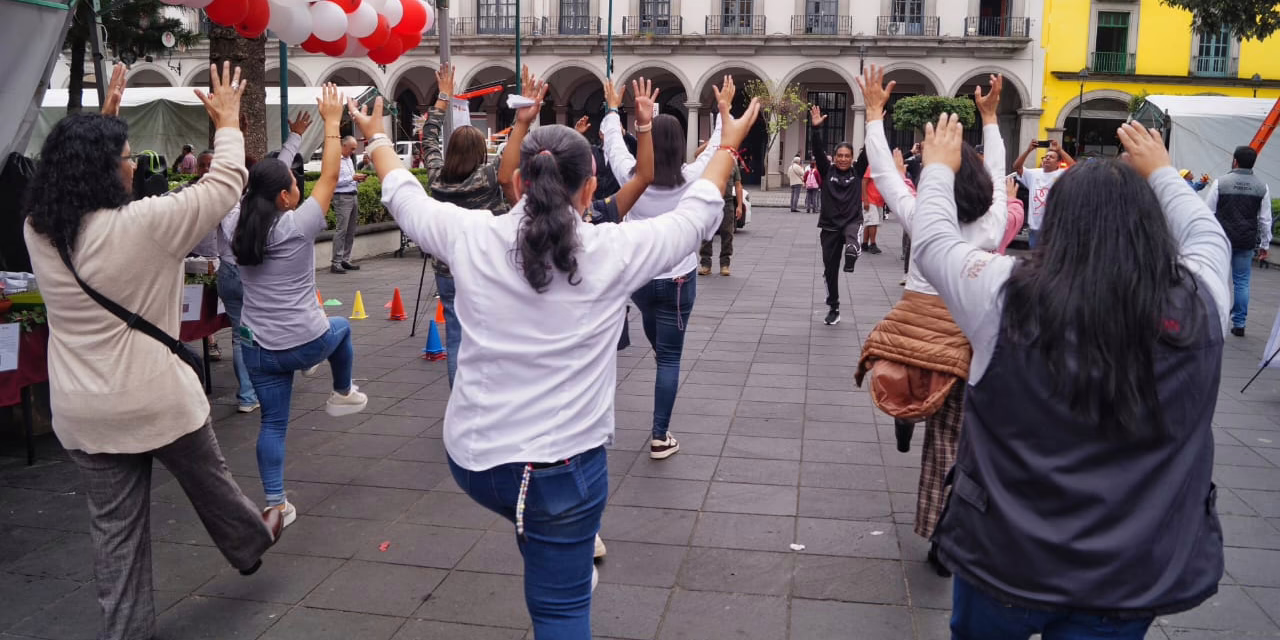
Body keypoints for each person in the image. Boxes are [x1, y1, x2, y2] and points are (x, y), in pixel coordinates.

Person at [354, 73, 758, 639]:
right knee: (562, 610)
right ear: (591, 189)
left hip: (478, 462)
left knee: (542, 530)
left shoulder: (472, 236)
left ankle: (549, 545)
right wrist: (728, 141)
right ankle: (556, 555)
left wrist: (375, 139)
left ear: (518, 183)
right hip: (561, 472)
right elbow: (696, 216)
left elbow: (405, 196)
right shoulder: (613, 251)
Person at [913, 114, 1228, 639]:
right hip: (1129, 573)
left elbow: (933, 243)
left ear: (1055, 221)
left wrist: (939, 169)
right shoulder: (1204, 300)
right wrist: (1163, 173)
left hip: (1003, 558)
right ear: (1151, 225)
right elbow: (1205, 231)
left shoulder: (1002, 293)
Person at [23, 62, 283, 640]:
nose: (133, 163)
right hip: (157, 402)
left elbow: (70, 174)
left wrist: (101, 124)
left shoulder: (38, 230)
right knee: (210, 481)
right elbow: (224, 184)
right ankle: (250, 541)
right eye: (126, 155)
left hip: (83, 412)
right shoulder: (148, 223)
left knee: (115, 538)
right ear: (106, 170)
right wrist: (228, 121)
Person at [854, 66, 1005, 576]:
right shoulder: (989, 224)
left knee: (907, 376)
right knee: (951, 443)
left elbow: (885, 176)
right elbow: (1001, 182)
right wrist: (990, 120)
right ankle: (945, 541)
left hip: (914, 331)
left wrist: (875, 115)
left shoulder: (923, 218)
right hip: (962, 343)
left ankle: (903, 413)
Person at [235, 84, 370, 527]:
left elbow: (246, 178)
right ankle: (342, 392)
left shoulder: (235, 225)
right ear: (285, 198)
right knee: (343, 328)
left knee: (272, 424)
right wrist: (332, 124)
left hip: (257, 347)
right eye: (295, 182)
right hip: (304, 340)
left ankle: (276, 503)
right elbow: (330, 177)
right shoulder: (295, 227)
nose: (298, 184)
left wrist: (233, 131)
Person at [602, 75, 732, 460]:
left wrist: (614, 108)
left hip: (639, 277)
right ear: (680, 147)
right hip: (677, 278)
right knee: (670, 357)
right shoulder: (691, 178)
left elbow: (612, 144)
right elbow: (717, 151)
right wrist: (723, 112)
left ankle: (664, 375)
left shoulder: (632, 177)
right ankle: (660, 435)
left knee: (660, 346)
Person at [423, 62, 514, 388]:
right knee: (492, 337)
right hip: (484, 267)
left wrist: (442, 98)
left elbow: (428, 137)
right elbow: (515, 153)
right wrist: (525, 118)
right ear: (479, 153)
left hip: (447, 268)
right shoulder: (487, 176)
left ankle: (458, 405)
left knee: (456, 339)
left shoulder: (437, 178)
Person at [809, 104, 870, 326]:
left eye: (847, 156)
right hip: (829, 228)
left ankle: (852, 253)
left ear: (853, 158)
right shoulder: (828, 171)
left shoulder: (857, 171)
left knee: (853, 238)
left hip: (851, 222)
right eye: (840, 155)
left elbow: (869, 149)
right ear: (834, 157)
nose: (843, 159)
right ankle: (833, 307)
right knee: (830, 271)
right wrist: (816, 129)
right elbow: (817, 150)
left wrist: (873, 124)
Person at [1203, 145, 1273, 336]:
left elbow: (1208, 213)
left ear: (1235, 160)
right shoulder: (1262, 187)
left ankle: (1215, 319)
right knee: (1242, 282)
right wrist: (1265, 245)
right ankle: (1239, 324)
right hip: (1246, 240)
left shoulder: (1220, 183)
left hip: (1222, 240)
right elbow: (1265, 219)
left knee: (1217, 280)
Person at [1014, 139, 1072, 248]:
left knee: (1050, 259)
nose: (1047, 158)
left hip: (1053, 228)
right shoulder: (1033, 174)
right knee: (1036, 260)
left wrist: (1060, 150)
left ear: (1058, 162)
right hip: (1035, 228)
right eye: (1046, 156)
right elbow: (1017, 167)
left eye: (1051, 157)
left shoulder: (1061, 174)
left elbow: (1075, 168)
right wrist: (1028, 150)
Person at [699, 149, 743, 276]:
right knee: (707, 235)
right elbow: (697, 155)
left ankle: (725, 264)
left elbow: (738, 185)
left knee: (727, 234)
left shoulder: (733, 165)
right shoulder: (710, 164)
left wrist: (739, 206)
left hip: (727, 203)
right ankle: (706, 264)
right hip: (710, 202)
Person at [329, 134, 365, 273]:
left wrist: (357, 179)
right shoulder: (334, 160)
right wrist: (352, 178)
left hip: (353, 195)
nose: (353, 151)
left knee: (350, 231)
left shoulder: (349, 159)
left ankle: (345, 259)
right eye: (352, 148)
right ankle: (336, 262)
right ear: (343, 146)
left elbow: (349, 178)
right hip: (342, 197)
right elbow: (333, 181)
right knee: (341, 230)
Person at [862, 162, 885, 254]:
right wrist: (865, 199)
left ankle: (864, 244)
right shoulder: (873, 166)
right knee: (873, 222)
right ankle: (873, 244)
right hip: (870, 199)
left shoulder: (884, 167)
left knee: (870, 222)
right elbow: (864, 181)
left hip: (878, 200)